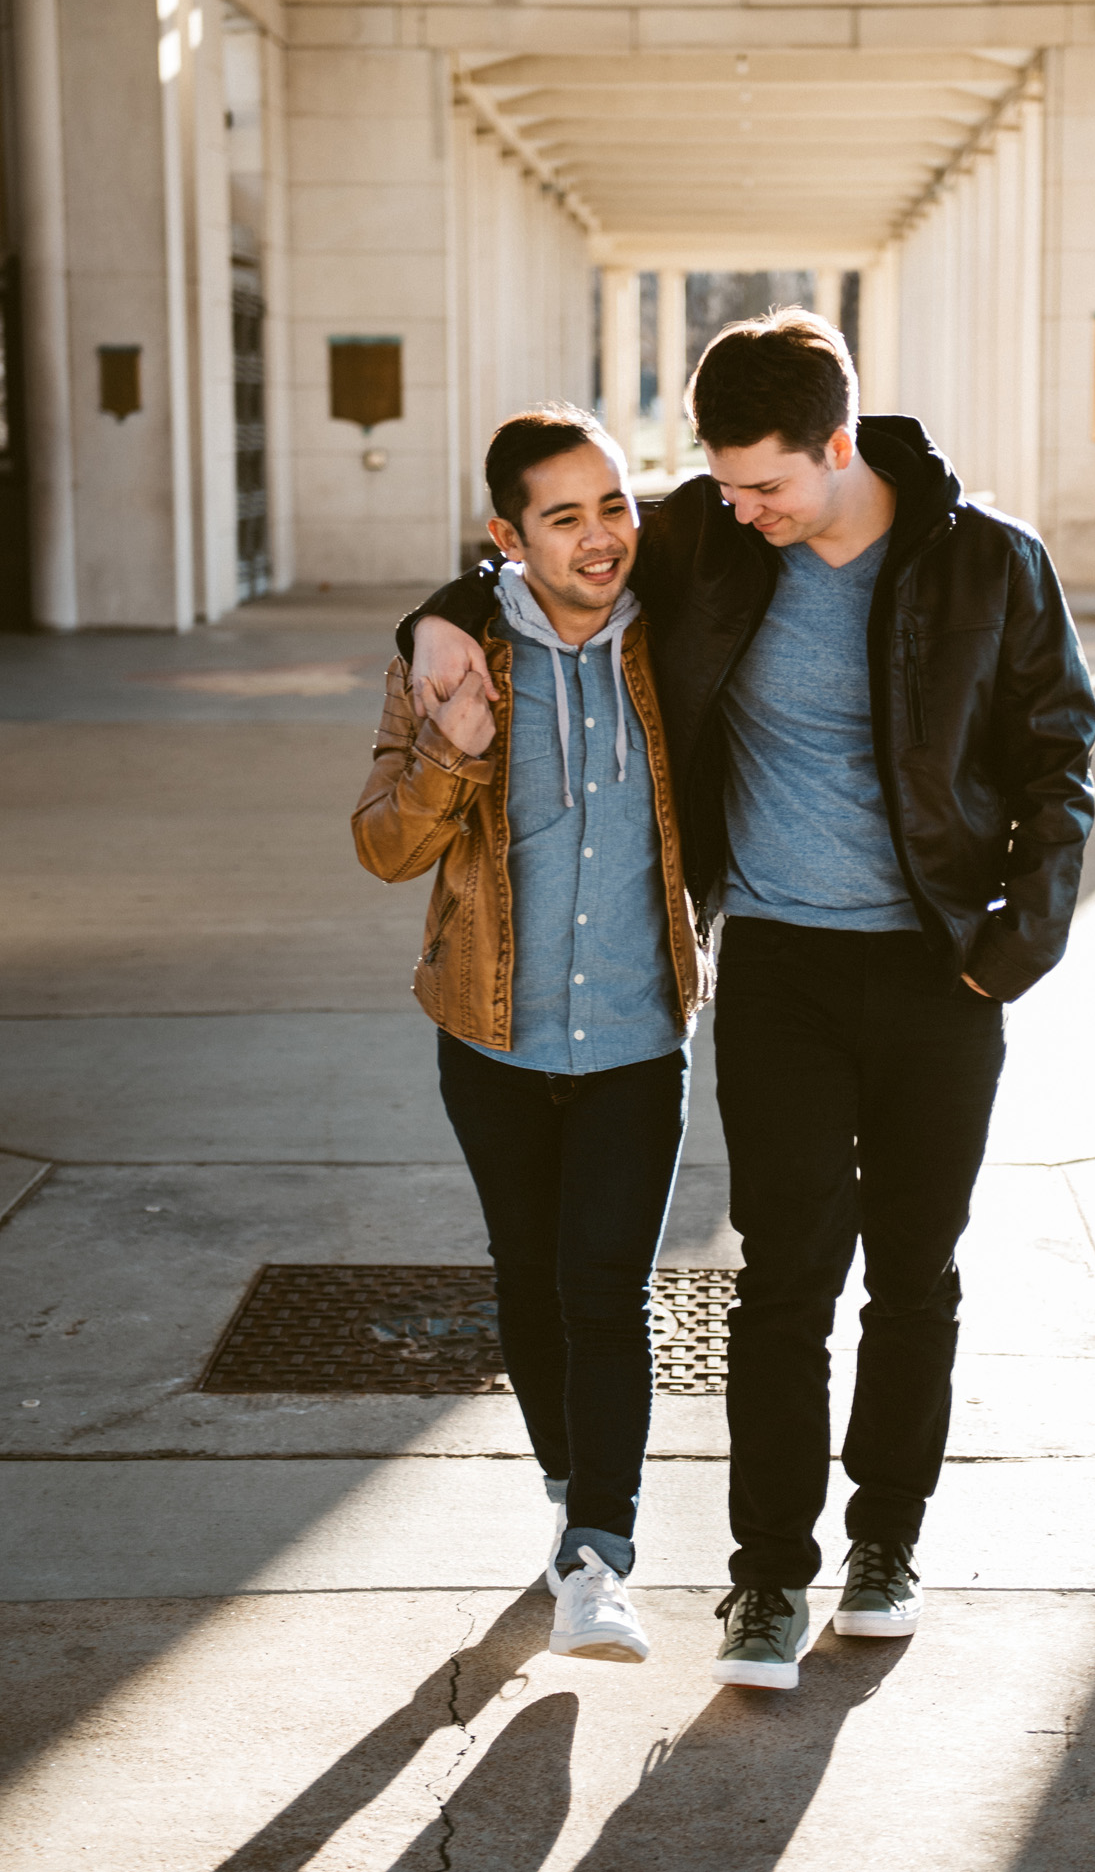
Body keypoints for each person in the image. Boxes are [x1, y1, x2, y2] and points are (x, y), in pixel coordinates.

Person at [402, 313, 1095, 1691]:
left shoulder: (987, 563)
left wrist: (1016, 940)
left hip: (939, 973)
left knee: (915, 1274)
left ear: (837, 446)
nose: (736, 509)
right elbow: (545, 562)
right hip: (776, 966)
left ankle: (884, 1545)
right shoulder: (717, 539)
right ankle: (766, 1578)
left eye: (765, 484)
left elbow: (1056, 753)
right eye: (720, 485)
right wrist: (429, 616)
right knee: (780, 1281)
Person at [353, 406, 708, 1667]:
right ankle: (570, 1495)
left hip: (632, 1033)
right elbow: (384, 845)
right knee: (529, 1276)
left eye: (614, 503)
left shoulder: (675, 632)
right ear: (507, 536)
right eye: (564, 515)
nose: (603, 535)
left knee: (606, 1289)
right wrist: (451, 746)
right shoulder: (453, 660)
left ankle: (599, 1554)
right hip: (490, 1038)